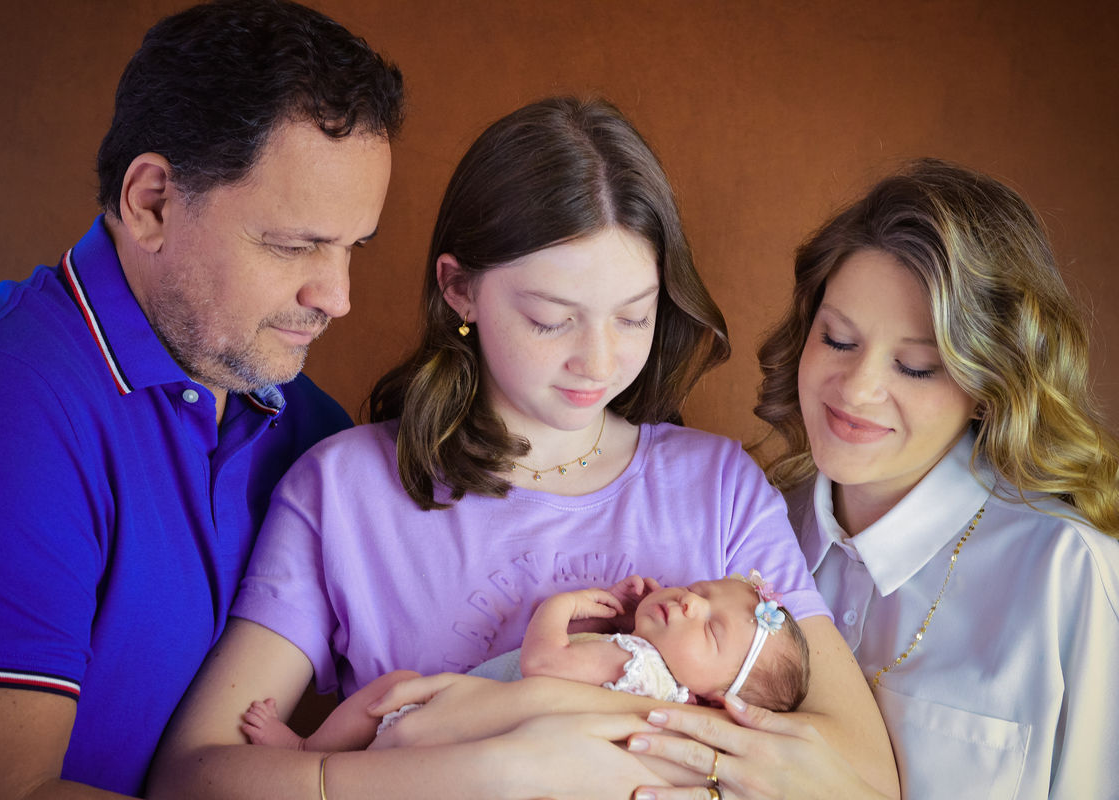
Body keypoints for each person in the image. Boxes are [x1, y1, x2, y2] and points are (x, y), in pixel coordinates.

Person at [149, 97, 897, 800]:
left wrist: (585, 735)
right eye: (550, 318)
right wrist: (483, 769)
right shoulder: (346, 489)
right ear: (460, 290)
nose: (598, 362)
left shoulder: (720, 487)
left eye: (633, 317)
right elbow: (191, 775)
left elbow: (863, 780)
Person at [0, 1, 403, 796]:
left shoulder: (313, 431)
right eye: (294, 245)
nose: (337, 296)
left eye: (353, 248)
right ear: (152, 203)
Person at [621, 159, 1119, 799]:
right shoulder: (745, 529)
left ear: (991, 385)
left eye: (915, 367)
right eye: (837, 339)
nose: (856, 390)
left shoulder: (1070, 575)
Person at [240, 573, 810, 753]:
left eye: (709, 629)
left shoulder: (635, 663)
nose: (690, 603)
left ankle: (307, 752)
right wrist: (628, 617)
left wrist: (560, 607)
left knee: (396, 684)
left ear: (713, 700)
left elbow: (543, 663)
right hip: (473, 743)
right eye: (701, 590)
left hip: (446, 716)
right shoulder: (650, 688)